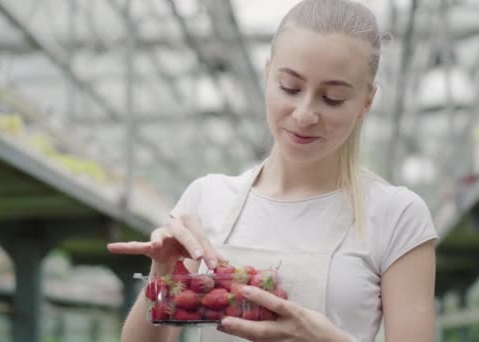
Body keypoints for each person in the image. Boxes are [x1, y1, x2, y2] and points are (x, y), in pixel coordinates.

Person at [107, 0, 438, 341]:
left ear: (366, 102)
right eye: (290, 88)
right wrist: (162, 274)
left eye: (333, 98)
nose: (305, 114)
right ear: (268, 76)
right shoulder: (206, 199)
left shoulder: (397, 215)